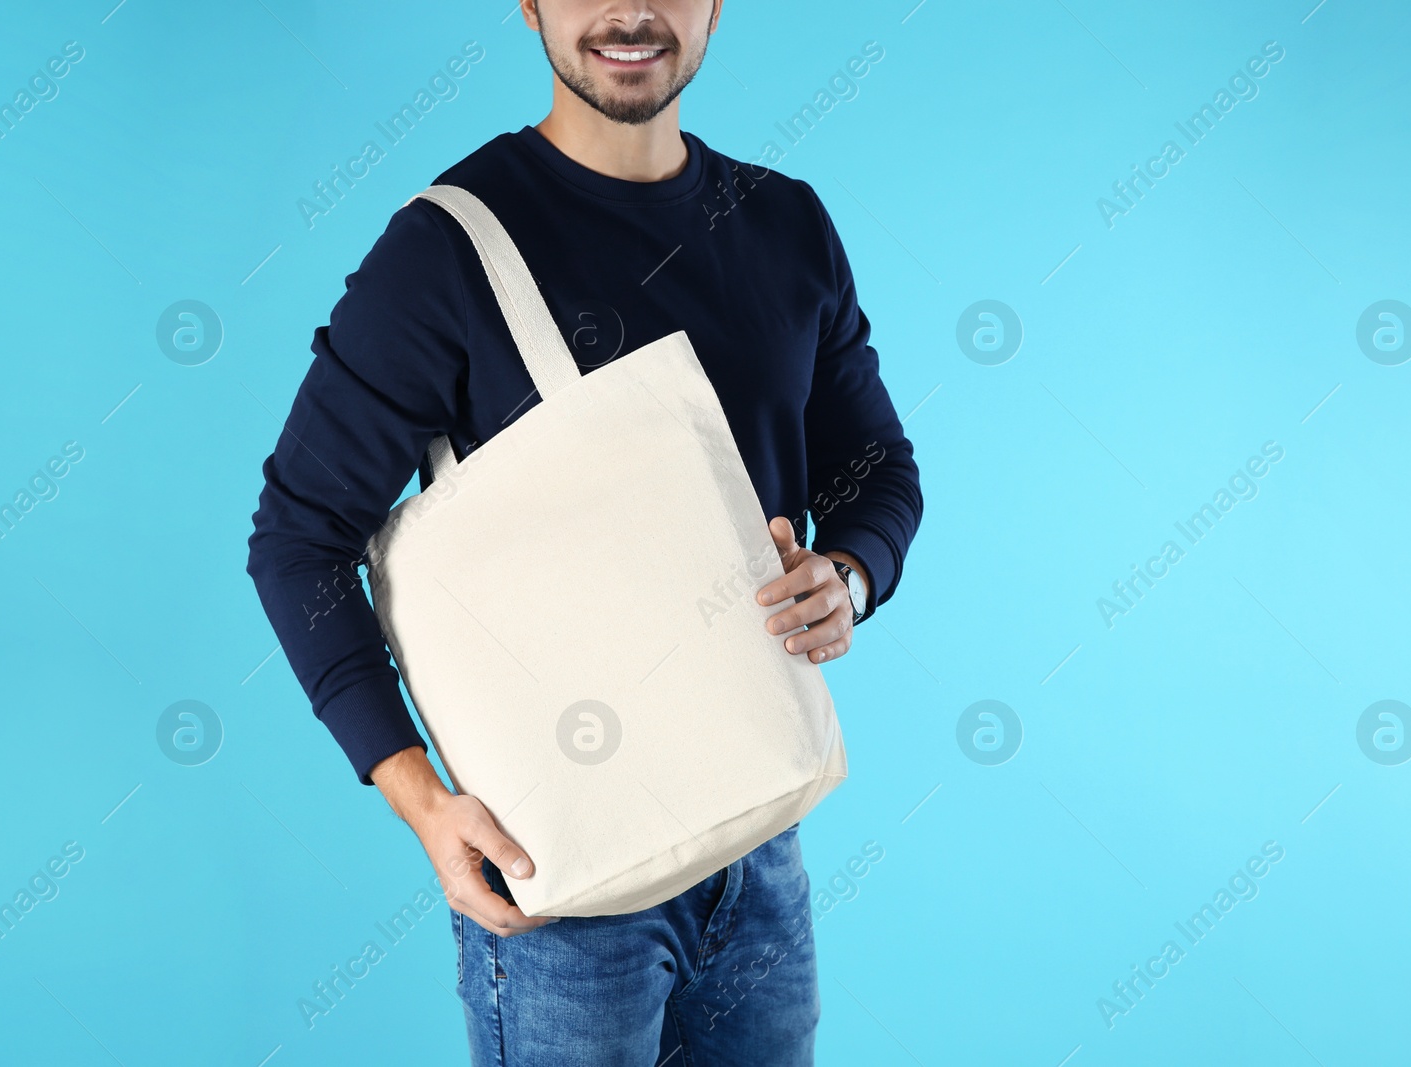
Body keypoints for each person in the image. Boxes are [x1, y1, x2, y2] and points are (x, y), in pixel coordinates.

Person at [245, 1, 923, 1062]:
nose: (628, 10)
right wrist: (419, 797)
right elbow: (297, 534)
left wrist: (850, 572)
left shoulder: (783, 221)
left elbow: (876, 464)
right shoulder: (448, 248)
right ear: (528, 5)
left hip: (761, 834)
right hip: (561, 889)